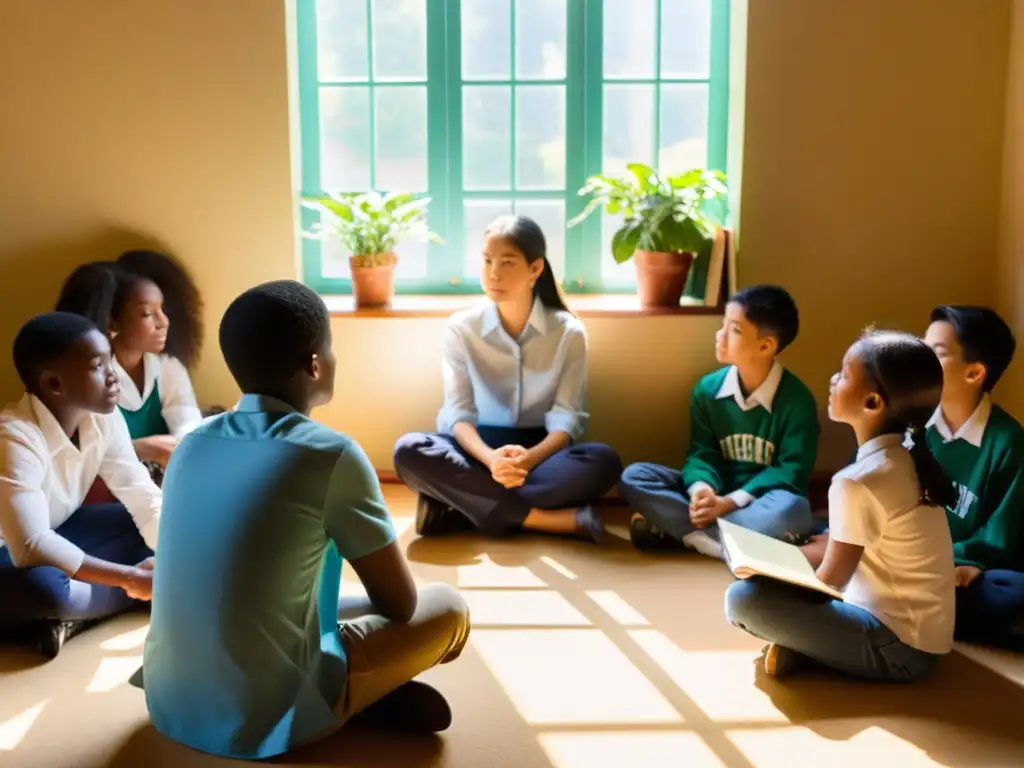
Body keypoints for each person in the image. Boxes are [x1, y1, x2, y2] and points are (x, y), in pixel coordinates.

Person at [136, 280, 470, 760]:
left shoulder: (189, 445)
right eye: (330, 348)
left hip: (169, 701)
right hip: (269, 716)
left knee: (298, 599)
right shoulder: (331, 454)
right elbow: (398, 604)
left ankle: (363, 695)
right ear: (315, 365)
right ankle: (350, 701)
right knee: (449, 608)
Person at [725, 330, 956, 682]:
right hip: (925, 640)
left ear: (873, 403)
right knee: (811, 542)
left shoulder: (857, 481)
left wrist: (770, 577)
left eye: (844, 375)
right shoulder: (904, 460)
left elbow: (829, 583)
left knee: (743, 598)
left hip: (899, 650)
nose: (833, 380)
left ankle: (807, 646)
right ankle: (808, 646)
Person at [392, 215, 622, 541]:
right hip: (476, 450)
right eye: (487, 261)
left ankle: (459, 509)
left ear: (535, 269)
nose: (494, 274)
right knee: (410, 450)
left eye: (508, 262)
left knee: (603, 462)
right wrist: (491, 460)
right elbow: (458, 414)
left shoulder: (569, 332)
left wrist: (528, 460)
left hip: (541, 455)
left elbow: (566, 420)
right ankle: (542, 519)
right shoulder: (461, 328)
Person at [0, 313, 160, 658]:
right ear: (54, 384)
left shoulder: (104, 418)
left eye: (110, 361)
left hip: (59, 531)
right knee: (46, 589)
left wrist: (177, 561)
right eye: (97, 366)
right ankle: (65, 610)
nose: (114, 376)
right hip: (10, 557)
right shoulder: (14, 435)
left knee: (147, 524)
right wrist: (129, 578)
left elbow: (139, 491)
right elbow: (29, 545)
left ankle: (65, 619)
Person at [618, 285, 819, 557]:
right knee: (635, 476)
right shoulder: (708, 390)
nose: (720, 335)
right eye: (722, 324)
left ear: (765, 345)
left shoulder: (797, 401)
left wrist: (731, 502)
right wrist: (703, 491)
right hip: (717, 495)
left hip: (761, 502)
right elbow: (701, 453)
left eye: (734, 330)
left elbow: (791, 471)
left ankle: (688, 535)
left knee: (794, 511)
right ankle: (729, 543)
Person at [923, 306, 1024, 649]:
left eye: (936, 353)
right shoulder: (908, 424)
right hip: (904, 560)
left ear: (974, 373)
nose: (920, 360)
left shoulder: (1007, 441)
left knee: (1008, 590)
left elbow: (999, 537)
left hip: (955, 572)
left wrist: (962, 561)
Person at [55, 250, 204, 478]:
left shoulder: (167, 368)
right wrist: (142, 449)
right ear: (112, 323)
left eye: (162, 310)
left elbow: (188, 427)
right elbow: (77, 459)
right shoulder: (87, 380)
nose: (164, 322)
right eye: (147, 314)